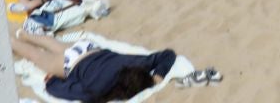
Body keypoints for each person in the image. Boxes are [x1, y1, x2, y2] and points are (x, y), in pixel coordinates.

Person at [10, 32, 174, 103]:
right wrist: (52, 83)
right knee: (36, 56)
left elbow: (167, 54)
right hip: (72, 63)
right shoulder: (101, 89)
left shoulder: (137, 63)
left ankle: (25, 35)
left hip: (90, 48)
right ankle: (13, 42)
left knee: (55, 44)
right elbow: (72, 90)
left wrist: (158, 75)